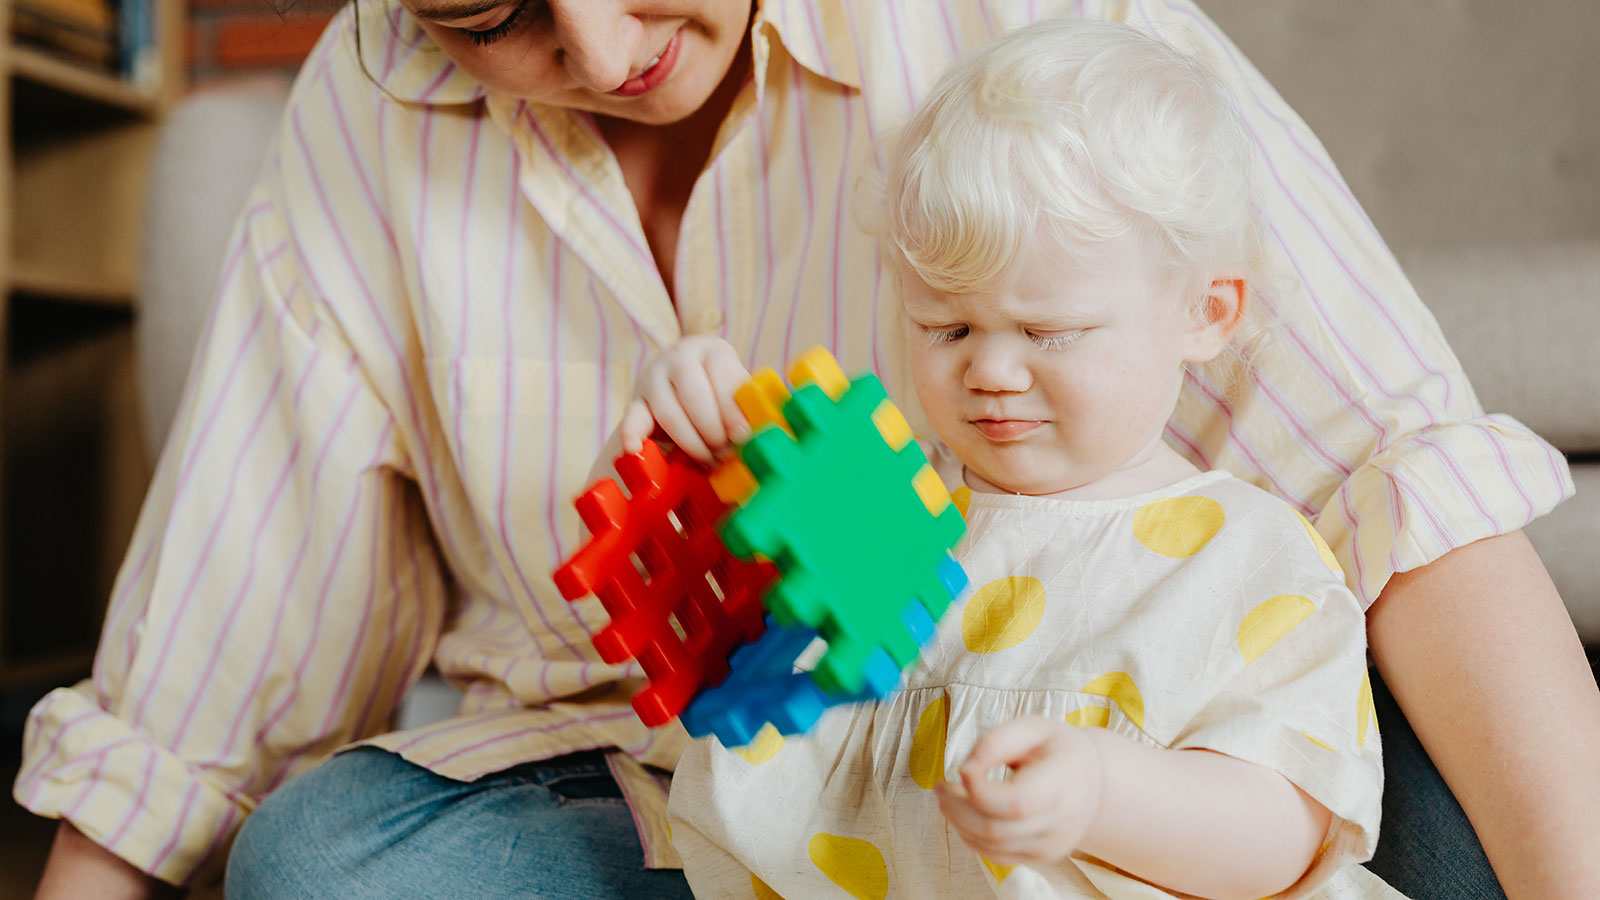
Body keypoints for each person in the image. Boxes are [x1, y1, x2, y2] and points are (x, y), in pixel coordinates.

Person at [14, 0, 1596, 898]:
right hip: (685, 786)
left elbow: (1400, 474)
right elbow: (193, 701)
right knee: (322, 868)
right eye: (493, 11)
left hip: (1132, 731)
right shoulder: (366, 121)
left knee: (1438, 829)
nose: (606, 40)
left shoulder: (1027, 31)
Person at [666, 21, 1407, 898]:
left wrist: (1103, 794)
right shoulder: (898, 525)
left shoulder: (1245, 558)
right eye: (945, 327)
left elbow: (1287, 833)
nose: (989, 371)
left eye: (1049, 331)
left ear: (1205, 312)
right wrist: (709, 432)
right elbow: (740, 674)